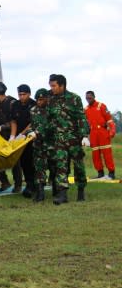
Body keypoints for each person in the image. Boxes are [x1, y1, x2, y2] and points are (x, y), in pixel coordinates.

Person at [48, 74, 89, 204]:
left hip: (74, 139)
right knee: (61, 165)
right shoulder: (51, 99)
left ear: (62, 85)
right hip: (59, 139)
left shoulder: (74, 98)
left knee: (78, 166)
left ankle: (81, 190)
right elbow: (49, 119)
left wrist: (84, 136)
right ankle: (62, 194)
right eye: (51, 86)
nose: (52, 88)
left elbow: (81, 118)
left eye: (54, 86)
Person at [0, 81, 19, 192]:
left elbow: (14, 121)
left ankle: (18, 184)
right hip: (0, 137)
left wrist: (2, 127)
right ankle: (4, 181)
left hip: (12, 135)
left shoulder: (11, 103)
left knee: (15, 162)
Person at [26, 88, 54, 202]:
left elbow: (49, 125)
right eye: (37, 99)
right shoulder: (33, 110)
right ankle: (40, 192)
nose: (39, 102)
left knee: (54, 167)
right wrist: (30, 132)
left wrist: (37, 132)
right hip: (38, 144)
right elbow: (32, 125)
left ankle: (57, 189)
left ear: (47, 99)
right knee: (39, 168)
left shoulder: (52, 110)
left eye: (41, 99)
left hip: (51, 143)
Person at [11, 84, 36, 197]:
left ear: (29, 94)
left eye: (24, 94)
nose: (22, 97)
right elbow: (13, 121)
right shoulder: (15, 105)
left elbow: (32, 123)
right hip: (20, 139)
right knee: (24, 161)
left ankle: (35, 183)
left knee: (32, 161)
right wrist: (13, 136)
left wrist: (22, 134)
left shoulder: (33, 104)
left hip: (32, 137)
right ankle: (29, 184)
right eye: (20, 94)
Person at [84, 91, 116, 180]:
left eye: (90, 97)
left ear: (94, 97)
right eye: (87, 98)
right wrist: (85, 136)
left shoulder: (101, 106)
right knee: (95, 155)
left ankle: (111, 173)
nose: (88, 99)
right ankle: (100, 173)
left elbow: (109, 119)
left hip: (103, 132)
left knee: (107, 154)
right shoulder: (85, 109)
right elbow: (85, 124)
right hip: (93, 134)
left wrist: (112, 130)